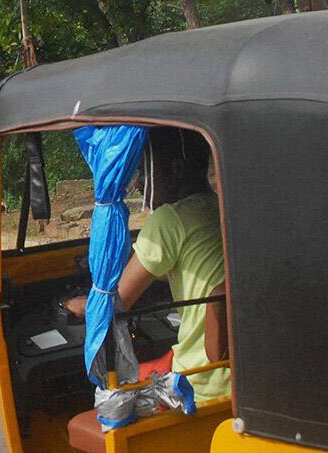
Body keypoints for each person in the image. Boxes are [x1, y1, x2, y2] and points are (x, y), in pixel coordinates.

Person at [64, 127, 230, 402]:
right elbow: (182, 268)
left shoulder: (169, 219)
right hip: (236, 372)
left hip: (200, 383)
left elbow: (115, 303)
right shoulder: (218, 207)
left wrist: (75, 305)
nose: (140, 183)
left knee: (111, 393)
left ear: (175, 169)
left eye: (145, 170)